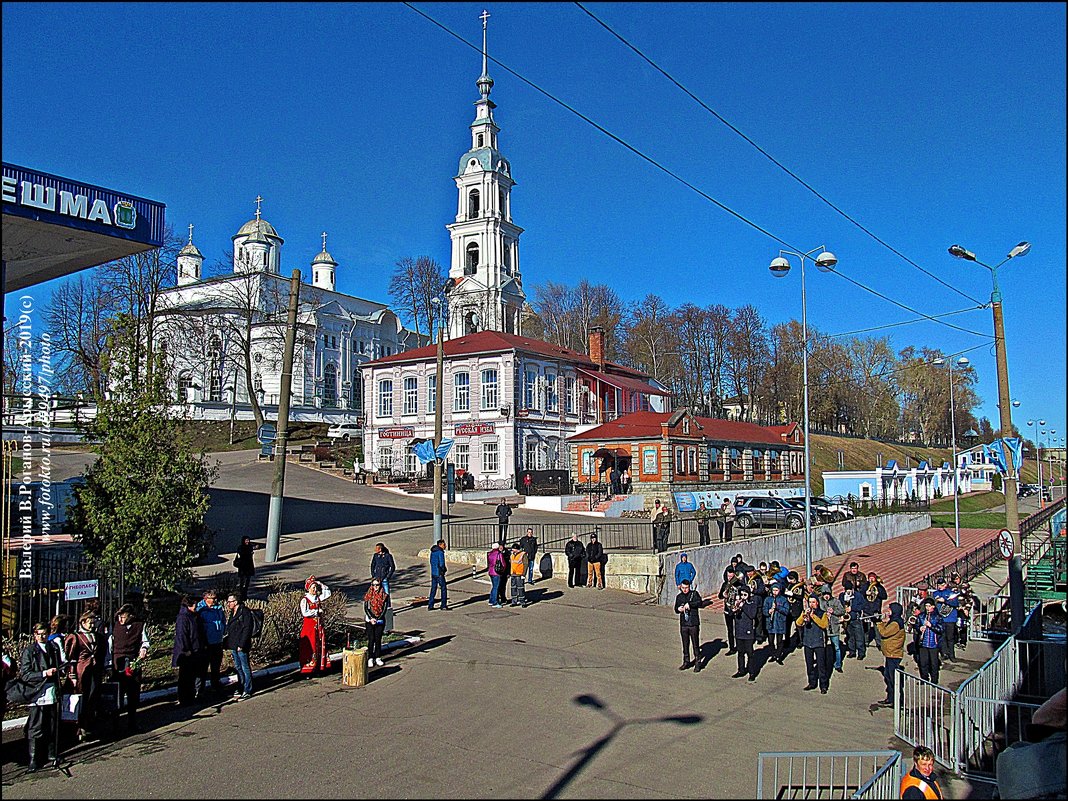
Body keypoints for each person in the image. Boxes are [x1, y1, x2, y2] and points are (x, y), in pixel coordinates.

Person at [22, 623, 63, 772]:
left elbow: (60, 665)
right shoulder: (30, 651)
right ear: (34, 635)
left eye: (44, 633)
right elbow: (26, 674)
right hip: (37, 692)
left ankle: (52, 754)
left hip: (52, 690)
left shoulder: (53, 647)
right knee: (36, 726)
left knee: (52, 724)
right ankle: (33, 759)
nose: (42, 636)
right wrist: (44, 673)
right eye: (39, 634)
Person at [63, 610, 106, 741]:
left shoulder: (98, 636)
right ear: (83, 622)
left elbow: (101, 653)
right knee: (81, 698)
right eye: (90, 623)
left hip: (94, 671)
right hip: (81, 672)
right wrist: (72, 675)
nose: (92, 625)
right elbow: (69, 658)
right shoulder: (75, 637)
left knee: (92, 697)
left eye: (94, 623)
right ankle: (78, 727)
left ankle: (88, 725)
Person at [108, 603, 150, 732]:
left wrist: (143, 649)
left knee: (133, 693)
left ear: (131, 616)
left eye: (123, 617)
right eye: (119, 617)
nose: (121, 619)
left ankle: (132, 722)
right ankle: (115, 724)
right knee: (118, 694)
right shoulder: (114, 627)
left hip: (133, 661)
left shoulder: (139, 625)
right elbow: (109, 645)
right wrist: (109, 663)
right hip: (117, 661)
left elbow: (145, 641)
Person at [172, 595, 206, 707]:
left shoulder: (191, 616)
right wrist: (185, 650)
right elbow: (182, 635)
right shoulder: (183, 617)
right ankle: (183, 698)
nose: (196, 607)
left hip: (194, 650)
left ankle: (190, 697)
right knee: (185, 677)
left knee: (191, 675)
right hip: (187, 652)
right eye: (195, 604)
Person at [797, 594, 832, 694]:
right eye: (810, 602)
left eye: (813, 602)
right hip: (807, 642)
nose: (811, 604)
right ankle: (811, 682)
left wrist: (813, 616)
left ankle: (823, 685)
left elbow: (824, 625)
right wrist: (804, 615)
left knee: (821, 666)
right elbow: (798, 623)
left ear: (817, 603)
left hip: (819, 642)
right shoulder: (805, 612)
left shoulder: (822, 613)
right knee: (809, 665)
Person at [196, 589, 227, 696]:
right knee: (202, 668)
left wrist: (223, 631)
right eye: (212, 598)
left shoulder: (218, 609)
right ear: (206, 599)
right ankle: (199, 689)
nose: (215, 600)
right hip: (206, 643)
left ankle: (216, 686)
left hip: (217, 642)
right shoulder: (200, 610)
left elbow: (223, 621)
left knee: (216, 666)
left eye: (215, 598)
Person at [223, 594, 254, 700]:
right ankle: (240, 687)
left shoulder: (244, 612)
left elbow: (247, 629)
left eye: (230, 602)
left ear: (235, 602)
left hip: (241, 645)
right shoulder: (233, 613)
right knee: (238, 667)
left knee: (245, 667)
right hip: (233, 644)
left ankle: (247, 689)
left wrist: (242, 644)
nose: (228, 604)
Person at [299, 577, 332, 675]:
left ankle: (318, 667)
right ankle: (307, 670)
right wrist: (316, 611)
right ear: (308, 589)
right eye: (312, 587)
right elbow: (305, 613)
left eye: (315, 588)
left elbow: (327, 593)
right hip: (309, 628)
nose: (314, 590)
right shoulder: (305, 600)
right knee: (310, 647)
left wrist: (320, 583)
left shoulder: (317, 598)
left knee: (319, 646)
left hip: (319, 627)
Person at [876, 602, 906, 707]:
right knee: (888, 677)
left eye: (889, 609)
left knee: (894, 679)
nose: (888, 611)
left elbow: (884, 633)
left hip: (894, 654)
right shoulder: (892, 621)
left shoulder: (896, 623)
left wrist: (879, 623)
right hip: (889, 653)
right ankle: (890, 698)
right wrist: (884, 622)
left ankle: (899, 701)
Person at [673, 579, 705, 672]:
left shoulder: (694, 594)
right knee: (685, 643)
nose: (685, 590)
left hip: (693, 623)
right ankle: (686, 661)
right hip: (684, 623)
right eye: (683, 588)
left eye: (686, 588)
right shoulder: (679, 597)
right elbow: (676, 609)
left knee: (695, 644)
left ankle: (698, 662)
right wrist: (679, 609)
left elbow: (699, 603)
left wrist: (690, 604)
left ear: (689, 587)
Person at [731, 585, 760, 681]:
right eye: (741, 594)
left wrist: (744, 606)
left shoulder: (752, 603)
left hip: (748, 632)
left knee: (750, 653)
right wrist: (735, 609)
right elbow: (731, 614)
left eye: (745, 594)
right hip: (739, 631)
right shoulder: (738, 602)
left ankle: (752, 672)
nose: (743, 597)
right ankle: (741, 670)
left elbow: (752, 615)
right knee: (740, 652)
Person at [915, 598, 944, 684]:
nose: (927, 608)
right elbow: (917, 625)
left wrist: (931, 626)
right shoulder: (921, 616)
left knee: (934, 663)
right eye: (926, 606)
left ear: (933, 607)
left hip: (933, 644)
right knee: (923, 662)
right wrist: (919, 628)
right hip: (923, 643)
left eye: (929, 606)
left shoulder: (938, 616)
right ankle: (924, 679)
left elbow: (941, 629)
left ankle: (934, 680)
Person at [931, 577, 959, 662]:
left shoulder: (951, 593)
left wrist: (945, 601)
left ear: (945, 585)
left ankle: (952, 655)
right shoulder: (936, 593)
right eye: (939, 585)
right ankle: (944, 653)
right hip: (941, 618)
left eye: (942, 585)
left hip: (950, 619)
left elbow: (955, 603)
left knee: (950, 638)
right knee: (941, 637)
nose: (940, 586)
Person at [763, 584, 791, 665]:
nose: (775, 592)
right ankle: (773, 655)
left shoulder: (783, 599)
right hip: (770, 622)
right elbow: (764, 609)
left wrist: (778, 608)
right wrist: (768, 611)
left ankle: (778, 655)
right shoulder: (768, 599)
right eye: (773, 590)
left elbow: (786, 611)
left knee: (779, 641)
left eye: (776, 590)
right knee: (771, 641)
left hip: (780, 622)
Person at [364, 579, 390, 667]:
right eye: (374, 585)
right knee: (371, 639)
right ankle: (370, 658)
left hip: (380, 620)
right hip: (369, 620)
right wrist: (371, 618)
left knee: (378, 639)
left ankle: (378, 657)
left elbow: (384, 609)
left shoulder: (384, 595)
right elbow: (366, 608)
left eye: (377, 585)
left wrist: (377, 618)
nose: (375, 587)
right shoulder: (369, 595)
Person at [821, 587, 847, 674]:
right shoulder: (820, 601)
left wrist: (834, 611)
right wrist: (825, 613)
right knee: (824, 648)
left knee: (837, 648)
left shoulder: (835, 601)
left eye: (828, 594)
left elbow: (842, 611)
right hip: (824, 628)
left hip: (834, 627)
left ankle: (838, 664)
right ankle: (825, 663)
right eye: (824, 595)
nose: (826, 596)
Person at [844, 588, 868, 661]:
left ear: (852, 589)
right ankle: (852, 651)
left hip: (856, 619)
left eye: (849, 590)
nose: (848, 592)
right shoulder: (842, 595)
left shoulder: (858, 595)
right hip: (847, 620)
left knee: (859, 637)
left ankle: (861, 653)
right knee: (850, 636)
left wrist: (852, 608)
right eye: (846, 590)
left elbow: (863, 605)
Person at [428, 539, 449, 611]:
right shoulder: (440, 552)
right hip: (439, 573)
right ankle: (443, 605)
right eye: (444, 545)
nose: (445, 546)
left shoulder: (433, 552)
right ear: (440, 545)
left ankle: (430, 605)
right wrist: (443, 570)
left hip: (433, 572)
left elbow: (431, 561)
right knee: (443, 588)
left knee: (433, 589)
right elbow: (442, 563)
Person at [509, 542, 529, 607]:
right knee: (513, 588)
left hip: (519, 574)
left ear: (517, 549)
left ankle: (522, 602)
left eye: (513, 549)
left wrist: (524, 574)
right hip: (513, 574)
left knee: (520, 588)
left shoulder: (523, 554)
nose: (512, 550)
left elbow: (525, 564)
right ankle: (514, 601)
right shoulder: (512, 555)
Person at [486, 543, 506, 608]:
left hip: (491, 571)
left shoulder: (489, 554)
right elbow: (503, 563)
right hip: (496, 572)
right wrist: (503, 570)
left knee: (494, 586)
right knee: (496, 587)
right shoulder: (499, 554)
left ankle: (491, 600)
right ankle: (494, 602)